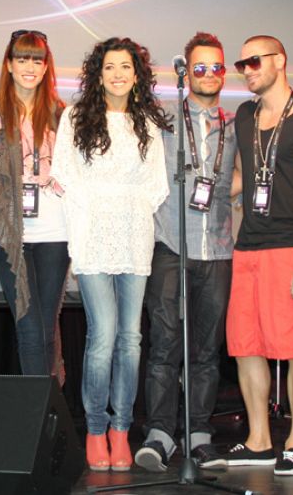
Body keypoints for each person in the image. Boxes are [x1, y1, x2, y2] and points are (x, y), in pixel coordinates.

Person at [51, 37, 171, 472]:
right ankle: (96, 430)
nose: (118, 74)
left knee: (131, 338)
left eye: (126, 67)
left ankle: (122, 430)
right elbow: (64, 173)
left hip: (135, 236)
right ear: (97, 75)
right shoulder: (77, 117)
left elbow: (157, 185)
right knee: (102, 338)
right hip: (92, 237)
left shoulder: (148, 124)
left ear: (136, 75)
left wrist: (127, 207)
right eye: (109, 67)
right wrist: (102, 207)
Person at [220, 35, 293, 476]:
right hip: (247, 246)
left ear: (280, 62)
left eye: (254, 61)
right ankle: (259, 440)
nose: (246, 69)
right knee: (246, 346)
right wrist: (192, 191)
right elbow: (246, 178)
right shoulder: (246, 115)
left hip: (289, 248)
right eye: (241, 63)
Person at [134, 31, 240, 472]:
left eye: (217, 67)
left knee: (206, 350)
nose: (209, 74)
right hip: (169, 245)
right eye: (200, 67)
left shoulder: (237, 124)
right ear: (186, 71)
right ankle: (160, 434)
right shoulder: (160, 120)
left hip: (217, 248)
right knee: (163, 344)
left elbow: (243, 177)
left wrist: (225, 194)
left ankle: (198, 433)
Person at [0, 30, 69, 376]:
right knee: (28, 329)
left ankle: (45, 416)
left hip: (56, 231)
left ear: (46, 67)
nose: (30, 66)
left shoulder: (62, 114)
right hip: (10, 231)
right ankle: (37, 416)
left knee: (45, 331)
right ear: (9, 64)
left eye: (37, 59)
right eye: (22, 58)